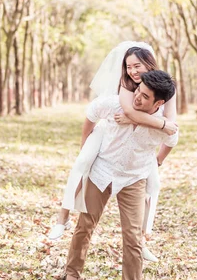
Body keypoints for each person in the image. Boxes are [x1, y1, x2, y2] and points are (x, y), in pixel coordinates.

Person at [48, 42, 178, 262]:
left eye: (137, 66)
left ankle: (143, 239)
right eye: (128, 66)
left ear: (149, 63)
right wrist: (155, 123)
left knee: (153, 184)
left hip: (139, 149)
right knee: (82, 163)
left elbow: (171, 124)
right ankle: (63, 217)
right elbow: (129, 111)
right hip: (106, 130)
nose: (133, 71)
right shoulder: (128, 84)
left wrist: (159, 155)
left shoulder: (164, 86)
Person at [62, 70, 178, 280]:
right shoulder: (116, 104)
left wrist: (157, 162)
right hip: (102, 171)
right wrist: (85, 148)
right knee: (85, 225)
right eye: (137, 90)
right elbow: (92, 111)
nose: (137, 97)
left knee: (134, 237)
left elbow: (172, 140)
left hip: (133, 178)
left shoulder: (163, 126)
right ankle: (71, 277)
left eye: (145, 97)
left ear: (158, 104)